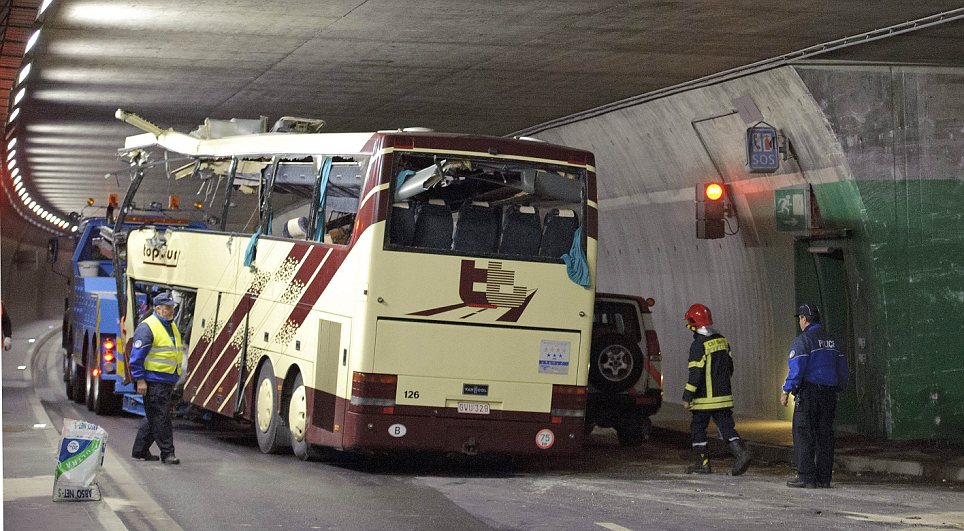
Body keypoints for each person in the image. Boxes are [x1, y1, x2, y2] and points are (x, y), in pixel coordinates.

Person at [781, 304, 849, 488]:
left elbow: (797, 368)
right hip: (829, 394)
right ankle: (824, 478)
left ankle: (806, 477)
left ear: (804, 319)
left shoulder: (803, 341)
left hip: (809, 394)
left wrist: (787, 390)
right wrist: (838, 389)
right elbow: (842, 369)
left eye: (800, 319)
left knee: (803, 433)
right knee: (825, 436)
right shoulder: (833, 341)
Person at [681, 303, 752, 475]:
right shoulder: (722, 340)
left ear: (693, 323)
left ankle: (702, 464)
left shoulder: (699, 345)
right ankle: (741, 453)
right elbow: (730, 368)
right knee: (726, 427)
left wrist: (687, 396)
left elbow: (696, 374)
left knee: (698, 428)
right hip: (723, 397)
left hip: (704, 399)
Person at [130, 292, 184, 465]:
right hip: (153, 381)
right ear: (157, 308)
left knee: (154, 416)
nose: (171, 311)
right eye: (167, 308)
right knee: (161, 417)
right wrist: (140, 380)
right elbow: (136, 357)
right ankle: (168, 453)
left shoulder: (171, 325)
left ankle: (140, 450)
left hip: (165, 380)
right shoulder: (148, 327)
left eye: (172, 308)